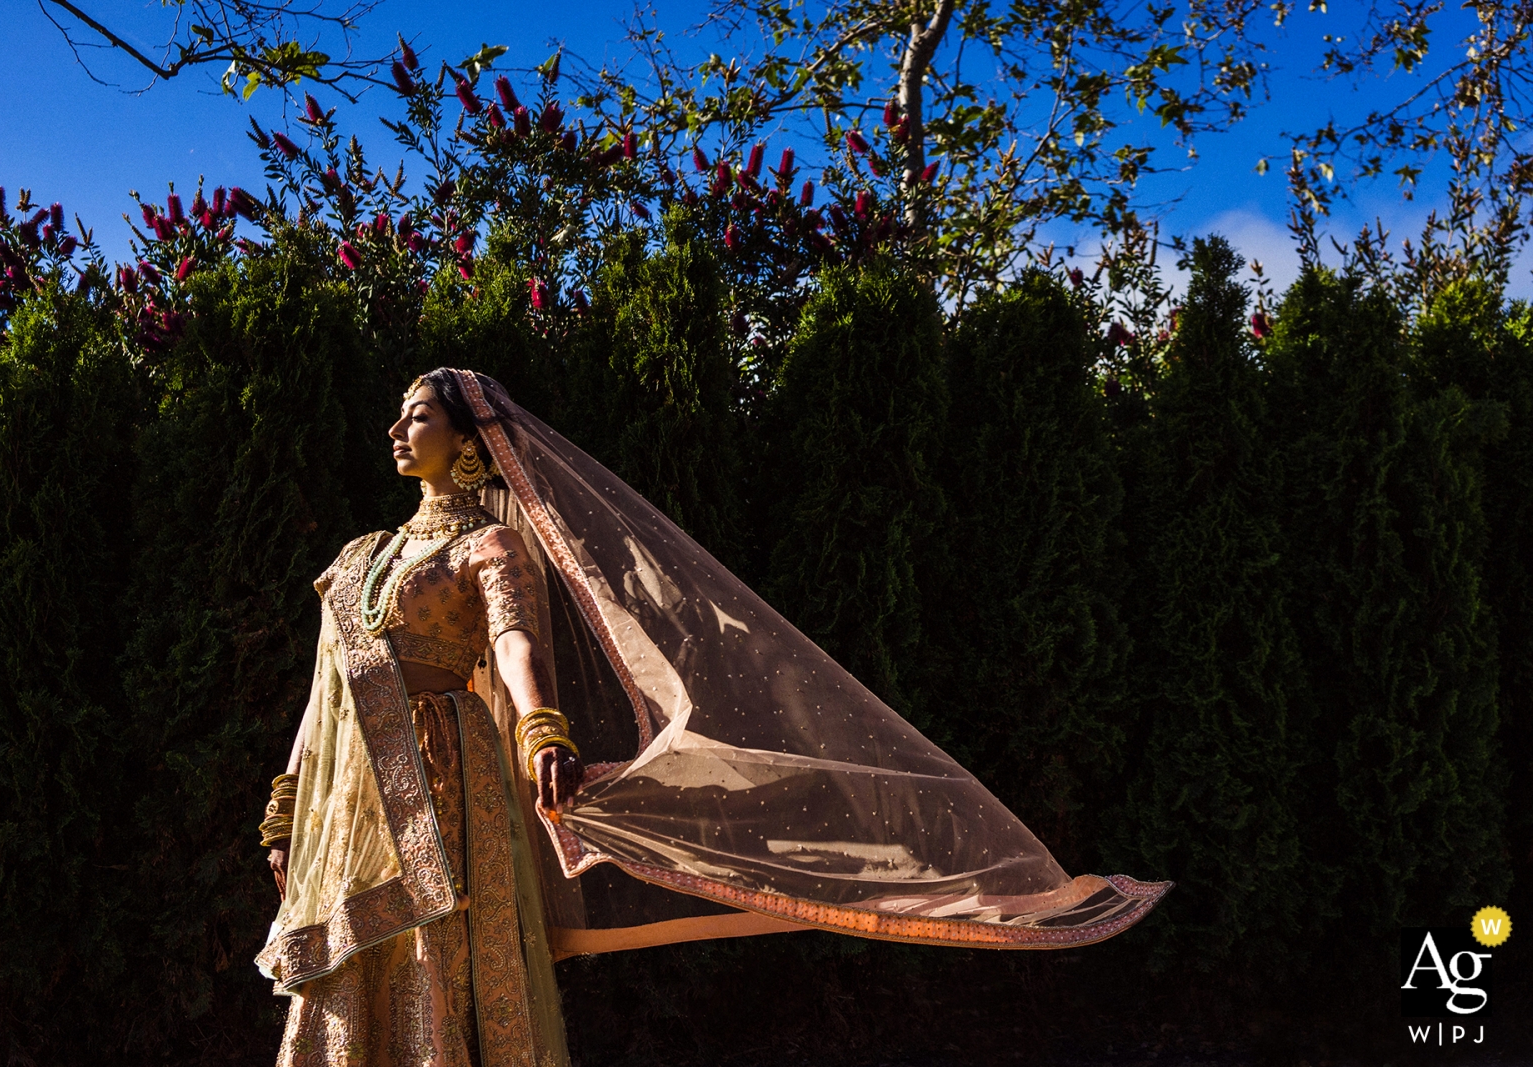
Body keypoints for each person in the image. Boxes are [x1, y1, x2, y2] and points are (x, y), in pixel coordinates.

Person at [257, 368, 1170, 1067]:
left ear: (467, 438)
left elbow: (512, 646)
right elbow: (324, 692)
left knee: (437, 963)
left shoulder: (490, 542)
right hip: (354, 803)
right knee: (343, 971)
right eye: (401, 413)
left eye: (417, 412)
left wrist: (543, 730)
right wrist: (288, 805)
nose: (395, 427)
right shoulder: (357, 556)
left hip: (450, 786)